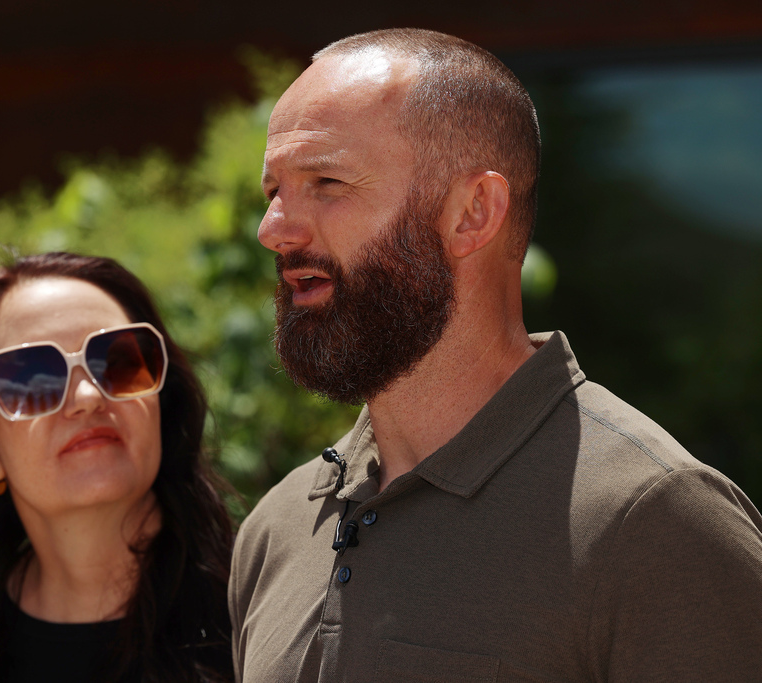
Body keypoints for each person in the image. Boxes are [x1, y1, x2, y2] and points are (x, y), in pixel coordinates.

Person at [229, 28, 762, 682]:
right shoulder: (275, 531)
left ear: (473, 212)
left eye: (326, 182)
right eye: (274, 191)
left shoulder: (656, 520)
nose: (273, 229)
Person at [0, 253, 234, 683]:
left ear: (161, 401)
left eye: (118, 362)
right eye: (32, 378)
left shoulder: (256, 609)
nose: (86, 397)